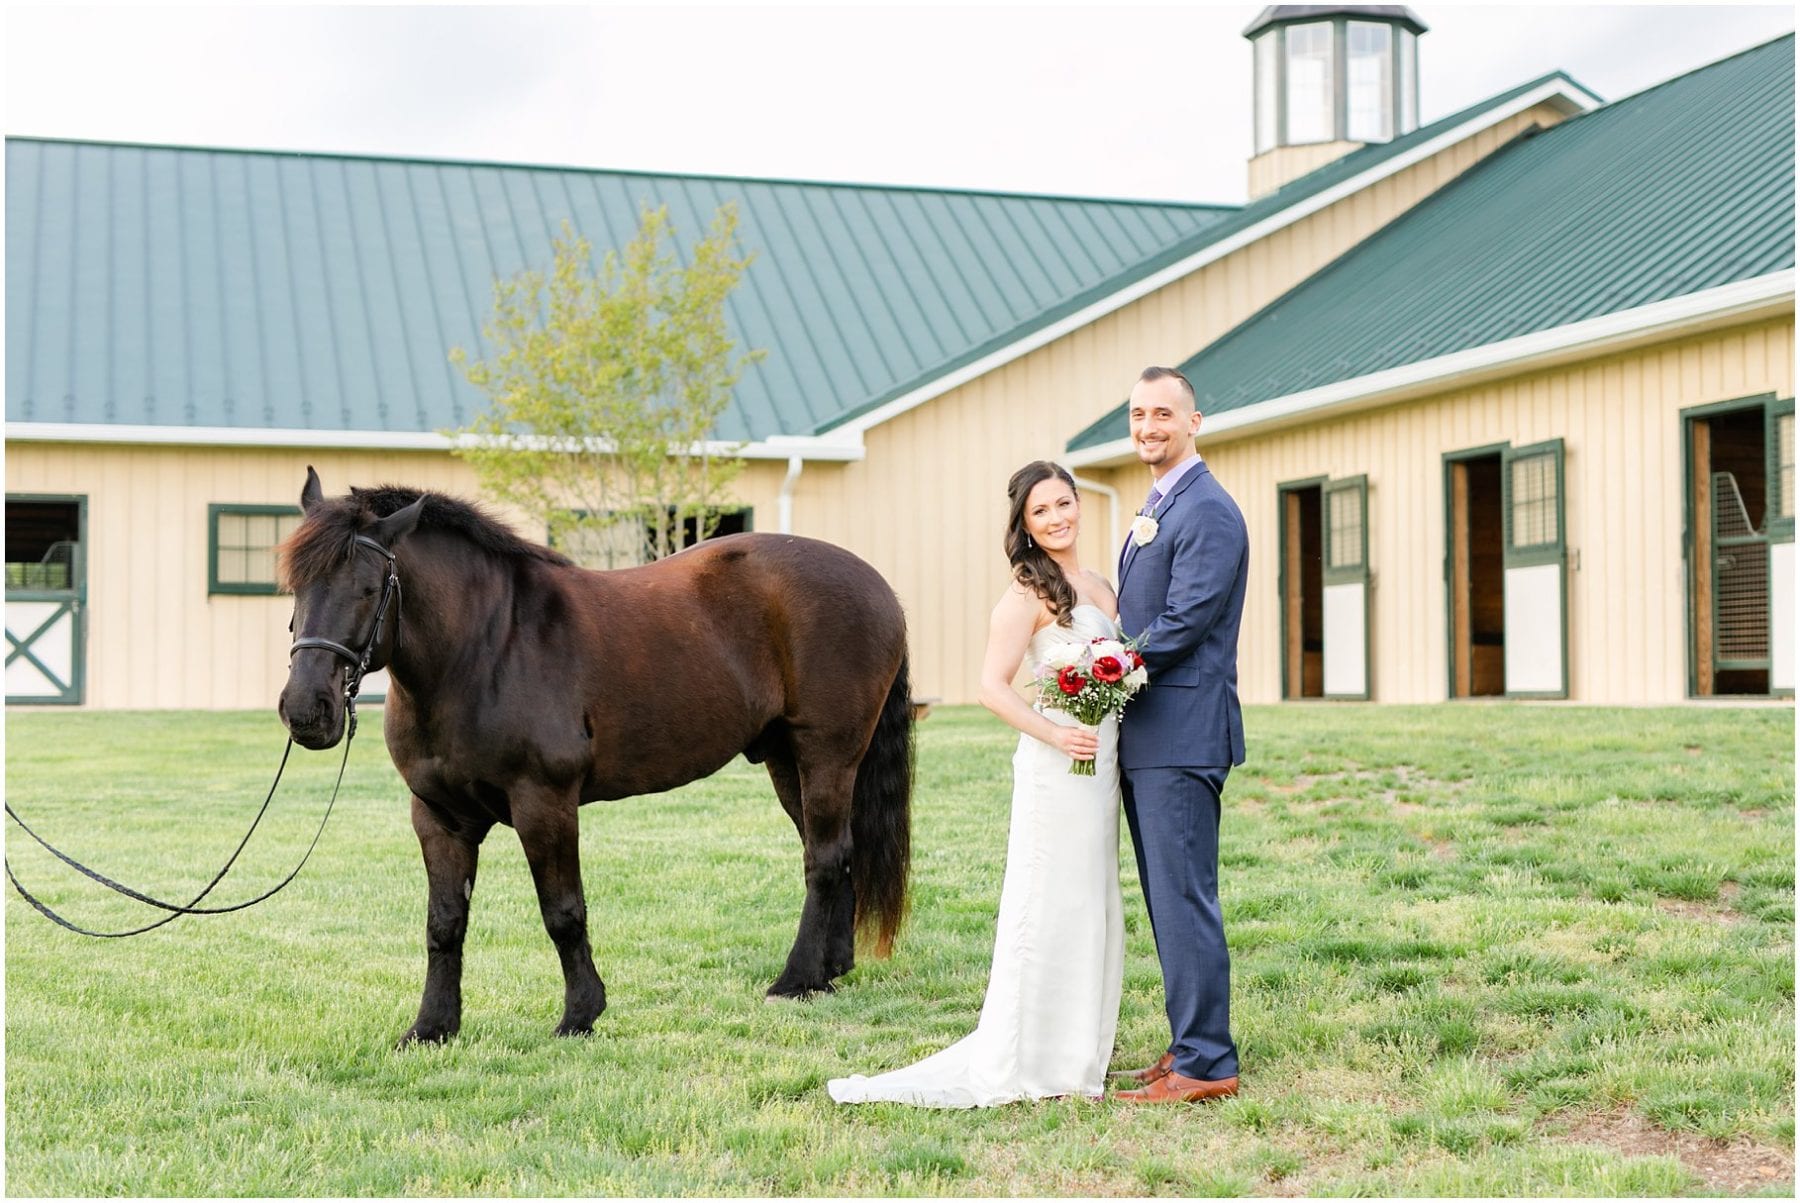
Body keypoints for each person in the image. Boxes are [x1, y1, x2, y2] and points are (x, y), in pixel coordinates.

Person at [827, 460, 1124, 1107]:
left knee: (1092, 901)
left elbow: (1119, 663)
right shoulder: (1024, 593)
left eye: (1063, 503)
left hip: (1100, 767)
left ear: (1079, 504)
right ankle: (1031, 1054)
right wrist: (1055, 733)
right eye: (1040, 510)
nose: (1057, 517)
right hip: (1056, 767)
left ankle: (1079, 1055)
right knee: (1049, 901)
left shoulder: (1102, 584)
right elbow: (991, 687)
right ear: (1023, 524)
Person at [1110, 365, 1248, 1105]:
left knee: (1185, 895)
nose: (1148, 426)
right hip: (1149, 735)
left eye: (1164, 413)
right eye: (1137, 414)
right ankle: (1187, 1041)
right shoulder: (1161, 502)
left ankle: (1207, 1062)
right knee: (1167, 898)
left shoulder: (1210, 511)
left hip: (1184, 733)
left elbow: (1188, 619)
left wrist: (1109, 667)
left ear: (1195, 420)